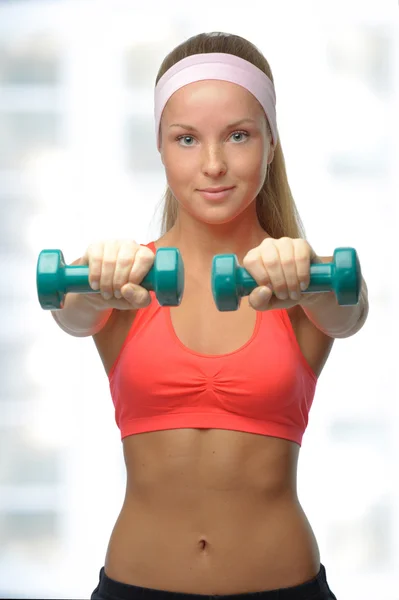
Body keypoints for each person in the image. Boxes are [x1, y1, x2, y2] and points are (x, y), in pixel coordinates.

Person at [52, 32, 369, 600]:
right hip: (135, 587)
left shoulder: (305, 278)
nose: (214, 164)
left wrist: (300, 269)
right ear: (161, 147)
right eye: (187, 139)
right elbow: (71, 314)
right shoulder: (121, 277)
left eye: (239, 136)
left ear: (271, 143)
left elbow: (348, 311)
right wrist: (98, 284)